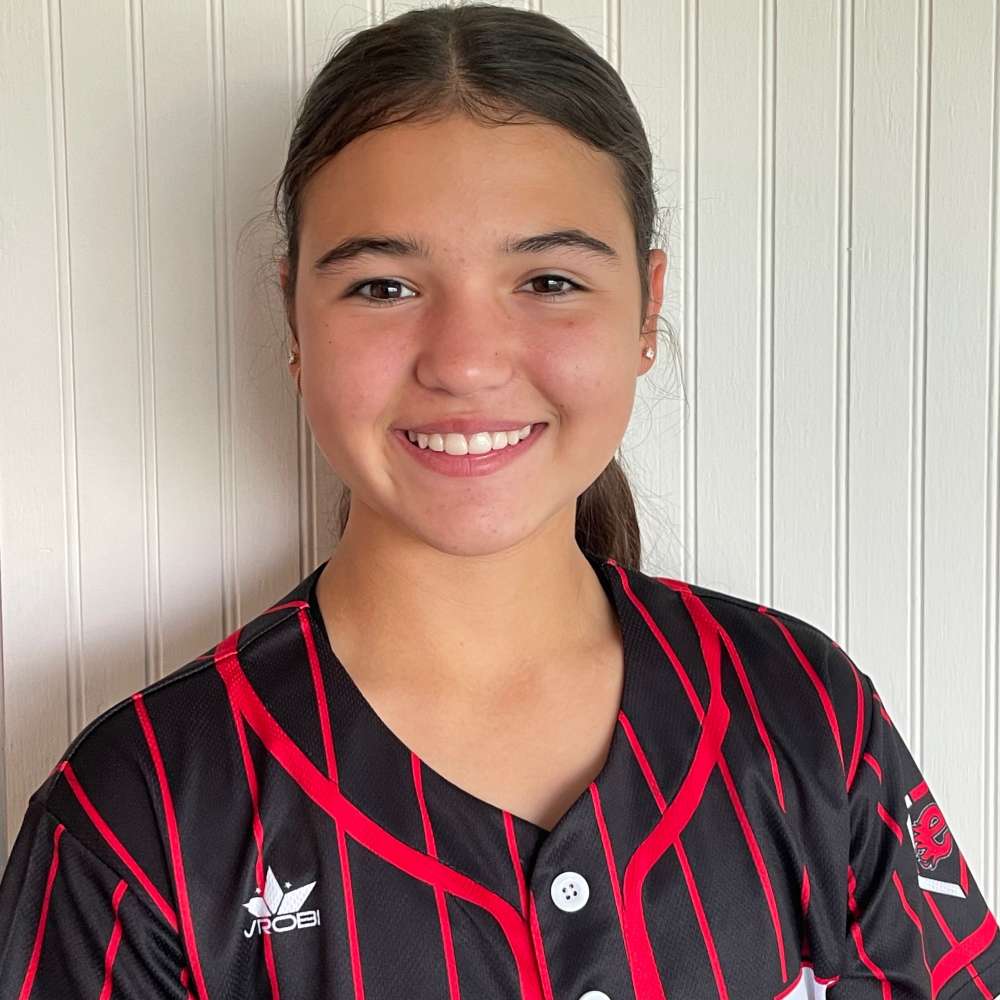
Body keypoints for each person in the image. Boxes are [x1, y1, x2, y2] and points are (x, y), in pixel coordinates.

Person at [1, 3, 998, 997]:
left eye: (549, 280)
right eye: (383, 287)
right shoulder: (139, 812)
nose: (467, 362)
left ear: (647, 308)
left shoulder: (803, 710)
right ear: (294, 319)